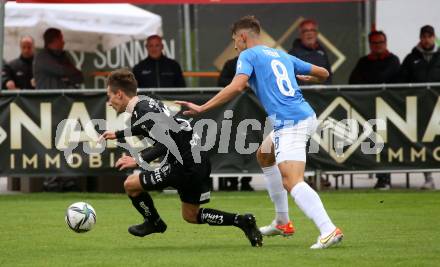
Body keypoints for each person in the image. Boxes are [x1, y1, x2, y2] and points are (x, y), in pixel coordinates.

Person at [177, 15, 342, 249]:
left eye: (235, 40)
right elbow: (324, 73)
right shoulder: (282, 55)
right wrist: (300, 74)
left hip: (292, 121)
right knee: (265, 155)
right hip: (299, 116)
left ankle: (328, 229)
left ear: (243, 37)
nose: (235, 46)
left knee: (292, 180)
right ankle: (282, 221)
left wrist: (203, 107)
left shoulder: (248, 55)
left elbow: (236, 86)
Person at [99, 69, 263, 247]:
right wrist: (117, 134)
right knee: (191, 215)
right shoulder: (146, 101)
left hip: (183, 165)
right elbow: (149, 126)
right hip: (198, 158)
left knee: (130, 185)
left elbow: (164, 142)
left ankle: (154, 222)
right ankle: (242, 221)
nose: (109, 102)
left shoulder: (143, 111)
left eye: (110, 96)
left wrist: (137, 159)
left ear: (120, 94)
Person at [349, 30, 400, 190]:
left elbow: (398, 81)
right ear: (370, 45)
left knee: (387, 144)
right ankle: (378, 176)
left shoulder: (393, 60)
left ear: (386, 43)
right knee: (372, 144)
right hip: (368, 110)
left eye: (381, 42)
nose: (378, 46)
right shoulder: (364, 62)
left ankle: (384, 178)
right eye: (375, 43)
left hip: (389, 110)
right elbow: (354, 82)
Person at [399, 25, 440, 190]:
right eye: (424, 36)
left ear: (434, 37)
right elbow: (401, 81)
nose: (427, 39)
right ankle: (428, 177)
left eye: (429, 36)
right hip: (419, 107)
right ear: (420, 38)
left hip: (438, 106)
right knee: (423, 141)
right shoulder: (411, 58)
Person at [288, 19, 332, 84]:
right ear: (300, 34)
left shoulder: (322, 51)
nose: (309, 33)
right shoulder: (292, 54)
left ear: (317, 33)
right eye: (305, 31)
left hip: (322, 92)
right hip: (303, 92)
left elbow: (328, 75)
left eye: (312, 30)